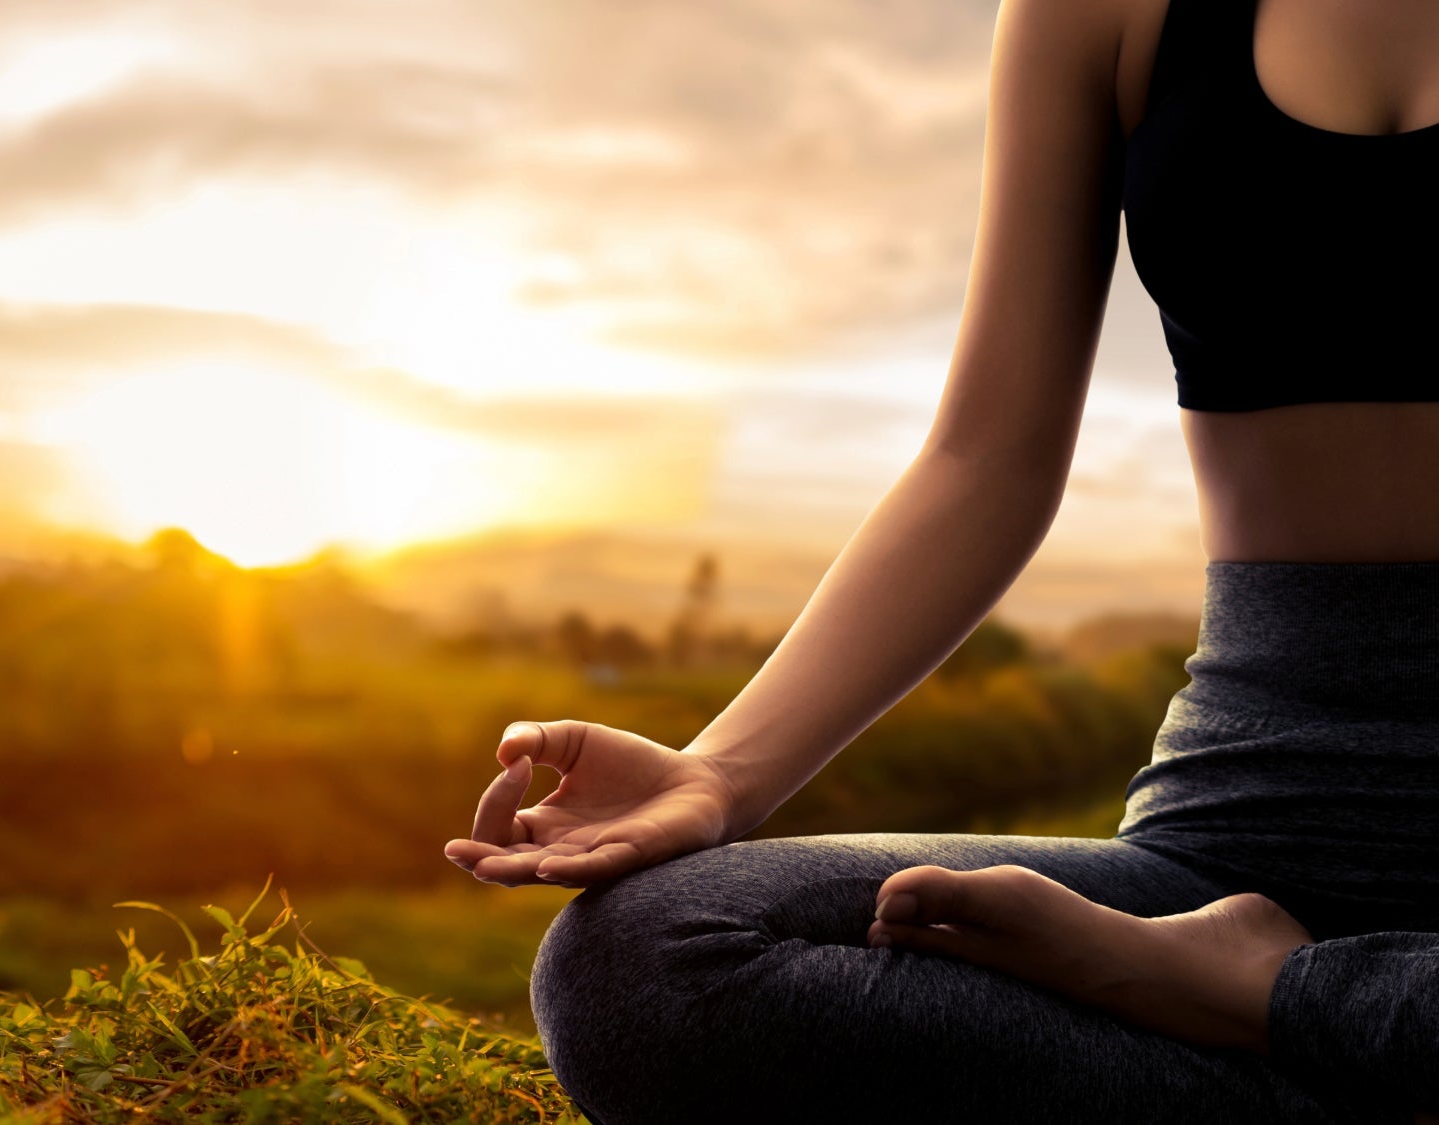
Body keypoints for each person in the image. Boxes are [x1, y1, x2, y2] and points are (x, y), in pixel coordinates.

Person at [442, 0, 1439, 1119]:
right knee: (650, 959)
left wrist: (1284, 999)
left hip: (1253, 947)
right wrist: (721, 774)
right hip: (1237, 841)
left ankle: (1283, 1007)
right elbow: (987, 458)